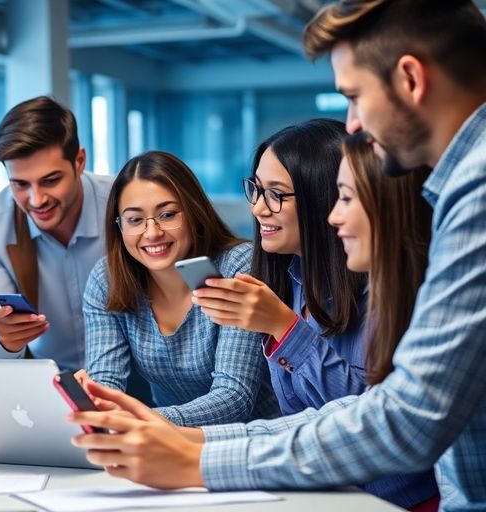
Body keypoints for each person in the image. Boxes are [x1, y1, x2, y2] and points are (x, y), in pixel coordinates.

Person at [68, 2, 486, 510]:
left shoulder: (475, 191)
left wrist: (192, 460)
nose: (352, 124)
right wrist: (189, 443)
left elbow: (405, 419)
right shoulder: (453, 190)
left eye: (354, 96)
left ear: (410, 79)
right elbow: (349, 411)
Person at [80, 151, 279, 426]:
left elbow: (235, 396)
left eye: (167, 214)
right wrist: (95, 402)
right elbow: (106, 382)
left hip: (254, 441)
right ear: (119, 226)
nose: (152, 233)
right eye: (135, 220)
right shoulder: (108, 278)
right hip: (169, 443)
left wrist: (143, 420)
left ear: (193, 211)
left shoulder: (237, 265)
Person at [194, 119, 369, 414]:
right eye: (257, 190)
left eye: (276, 194)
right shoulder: (290, 278)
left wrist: (284, 326)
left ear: (325, 197)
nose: (258, 208)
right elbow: (296, 422)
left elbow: (367, 414)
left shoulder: (379, 289)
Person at [0, 96, 113, 370]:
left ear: (79, 161)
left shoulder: (123, 205)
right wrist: (3, 340)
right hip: (45, 385)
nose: (36, 200)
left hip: (137, 382)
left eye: (50, 180)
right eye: (20, 184)